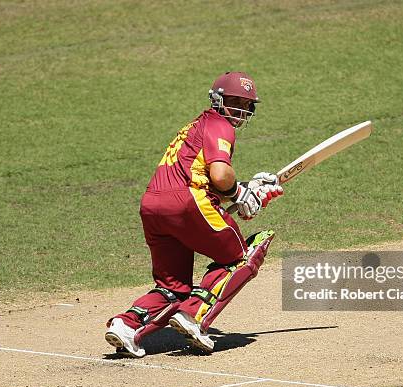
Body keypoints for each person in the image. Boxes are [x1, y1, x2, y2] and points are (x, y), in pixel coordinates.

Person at [105, 71, 283, 357]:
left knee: (172, 286)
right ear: (218, 101)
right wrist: (239, 193)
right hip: (188, 202)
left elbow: (204, 175)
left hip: (153, 206)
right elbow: (221, 174)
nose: (239, 108)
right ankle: (193, 317)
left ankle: (125, 326)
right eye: (235, 101)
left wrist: (248, 188)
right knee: (242, 257)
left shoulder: (196, 127)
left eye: (244, 103)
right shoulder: (221, 126)